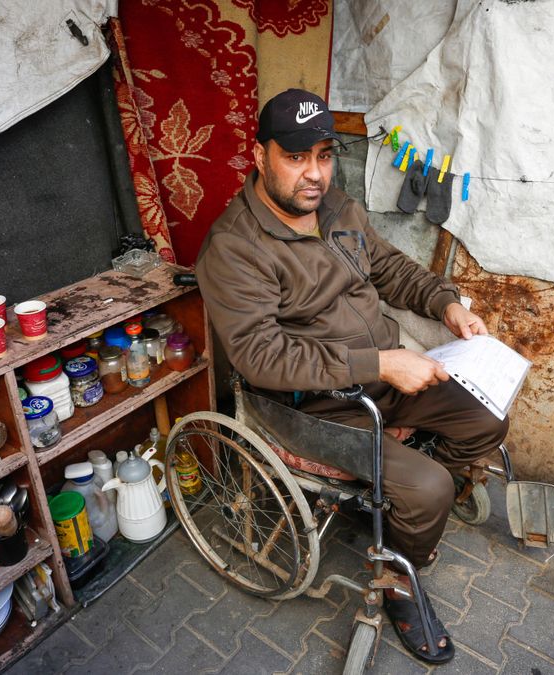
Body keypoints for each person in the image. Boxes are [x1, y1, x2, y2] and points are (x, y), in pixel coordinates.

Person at [195, 88, 508, 665]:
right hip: (310, 407)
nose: (313, 174)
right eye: (296, 157)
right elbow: (260, 357)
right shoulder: (234, 247)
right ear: (259, 156)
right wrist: (382, 363)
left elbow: (387, 266)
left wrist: (447, 305)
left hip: (382, 379)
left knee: (487, 417)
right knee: (429, 487)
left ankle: (407, 515)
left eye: (323, 154)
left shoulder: (337, 207)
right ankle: (401, 580)